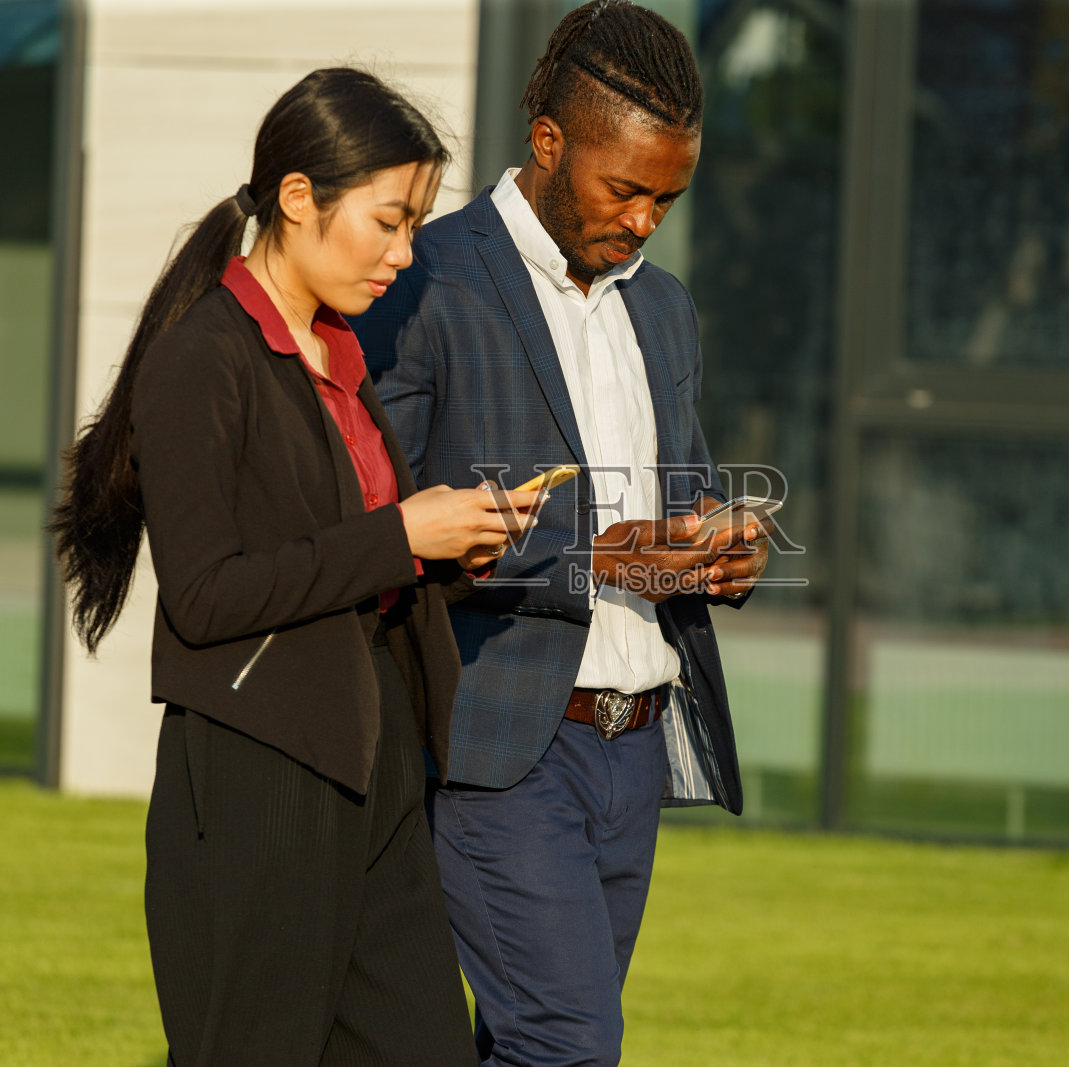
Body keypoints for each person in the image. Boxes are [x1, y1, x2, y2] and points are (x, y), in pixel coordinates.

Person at [49, 68, 537, 1066]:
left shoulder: (340, 359)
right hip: (259, 767)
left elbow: (346, 564)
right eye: (389, 221)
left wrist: (457, 544)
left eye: (416, 226)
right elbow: (207, 592)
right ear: (299, 197)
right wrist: (403, 533)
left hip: (378, 758)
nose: (405, 253)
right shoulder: (203, 360)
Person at [352, 5, 768, 1064]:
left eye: (666, 200)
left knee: (528, 1039)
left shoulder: (663, 309)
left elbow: (682, 496)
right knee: (566, 1040)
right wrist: (598, 555)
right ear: (548, 141)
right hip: (501, 744)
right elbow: (384, 514)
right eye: (623, 188)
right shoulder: (426, 282)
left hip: (633, 749)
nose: (642, 221)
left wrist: (720, 550)